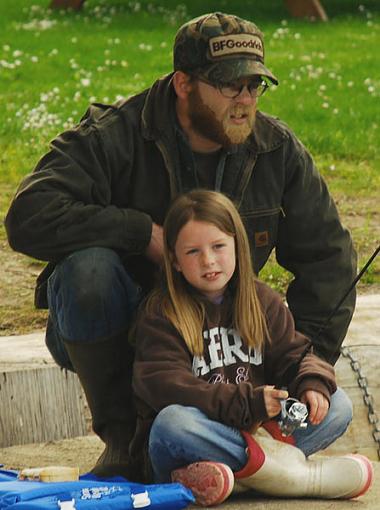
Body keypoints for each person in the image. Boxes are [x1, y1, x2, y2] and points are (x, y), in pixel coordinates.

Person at [4, 12, 356, 479]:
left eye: (255, 86)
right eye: (231, 86)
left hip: (232, 357)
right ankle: (129, 444)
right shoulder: (116, 135)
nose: (245, 100)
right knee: (87, 271)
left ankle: (236, 461)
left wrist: (302, 377)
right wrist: (140, 233)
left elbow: (329, 260)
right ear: (183, 83)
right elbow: (28, 216)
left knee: (338, 406)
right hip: (137, 343)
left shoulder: (277, 149)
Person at [131, 189, 372, 506]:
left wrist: (311, 381)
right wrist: (248, 403)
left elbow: (293, 354)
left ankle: (239, 478)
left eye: (218, 246)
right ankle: (294, 477)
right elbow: (166, 386)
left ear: (237, 246)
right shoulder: (162, 313)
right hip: (198, 438)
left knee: (338, 404)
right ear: (174, 260)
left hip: (258, 434)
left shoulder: (261, 300)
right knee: (172, 423)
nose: (208, 260)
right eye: (193, 252)